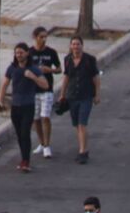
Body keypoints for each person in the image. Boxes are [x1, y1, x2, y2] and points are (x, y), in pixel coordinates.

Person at [0, 45, 46, 171]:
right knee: (20, 135)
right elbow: (4, 84)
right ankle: (23, 158)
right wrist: (0, 101)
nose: (18, 55)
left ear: (27, 54)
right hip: (15, 106)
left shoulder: (34, 69)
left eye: (21, 52)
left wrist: (33, 77)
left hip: (28, 106)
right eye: (16, 53)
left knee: (25, 133)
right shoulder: (12, 68)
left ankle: (26, 161)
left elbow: (45, 85)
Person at [60, 36, 101, 164]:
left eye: (78, 44)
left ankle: (83, 151)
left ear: (82, 46)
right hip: (72, 96)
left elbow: (96, 78)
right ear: (70, 46)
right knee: (76, 125)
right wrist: (62, 94)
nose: (76, 47)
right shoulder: (67, 59)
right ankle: (82, 147)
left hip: (86, 96)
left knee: (82, 123)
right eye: (73, 44)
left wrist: (97, 95)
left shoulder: (89, 60)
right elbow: (66, 77)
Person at [28, 27, 62, 159]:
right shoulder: (29, 53)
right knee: (36, 118)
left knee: (45, 116)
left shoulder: (51, 52)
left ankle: (47, 145)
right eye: (41, 37)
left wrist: (51, 70)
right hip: (33, 90)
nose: (44, 39)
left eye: (45, 37)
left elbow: (59, 69)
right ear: (35, 37)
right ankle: (41, 143)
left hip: (47, 89)